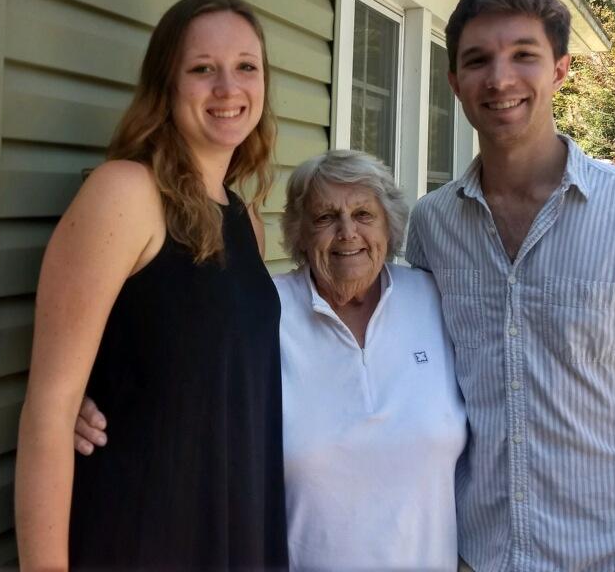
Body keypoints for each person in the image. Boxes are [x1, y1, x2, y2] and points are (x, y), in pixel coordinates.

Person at [77, 149, 468, 571]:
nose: (347, 233)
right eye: (324, 218)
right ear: (299, 233)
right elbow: (179, 383)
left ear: (389, 226)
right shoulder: (264, 310)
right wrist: (82, 401)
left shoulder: (434, 298)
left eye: (363, 215)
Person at [14, 0, 288, 571]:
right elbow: (50, 409)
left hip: (232, 530)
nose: (228, 87)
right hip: (140, 533)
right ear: (166, 85)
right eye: (201, 69)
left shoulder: (245, 222)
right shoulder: (126, 193)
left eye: (246, 66)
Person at [406, 0, 615, 571]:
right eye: (477, 60)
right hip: (475, 549)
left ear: (561, 70)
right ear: (454, 82)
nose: (499, 79)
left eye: (524, 54)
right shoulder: (431, 224)